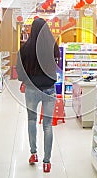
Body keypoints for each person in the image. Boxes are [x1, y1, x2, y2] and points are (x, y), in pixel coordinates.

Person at [16, 18, 60, 173]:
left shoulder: (25, 47)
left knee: (32, 121)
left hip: (32, 89)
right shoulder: (53, 46)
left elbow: (19, 69)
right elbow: (56, 66)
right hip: (49, 88)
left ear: (32, 30)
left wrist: (24, 80)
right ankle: (47, 162)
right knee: (47, 126)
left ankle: (33, 154)